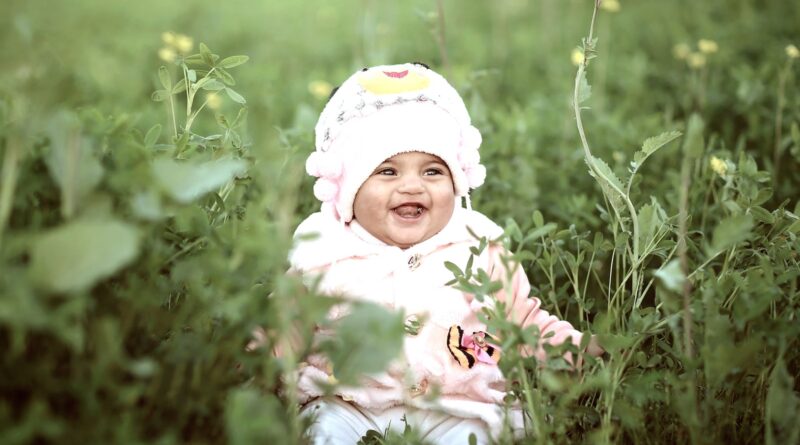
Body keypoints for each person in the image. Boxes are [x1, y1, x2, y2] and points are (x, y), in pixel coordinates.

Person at [288, 62, 602, 444]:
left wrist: (581, 350)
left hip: (457, 407)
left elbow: (521, 321)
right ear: (350, 187)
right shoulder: (325, 252)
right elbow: (286, 325)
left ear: (456, 180)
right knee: (322, 430)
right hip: (348, 401)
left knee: (476, 436)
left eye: (432, 171)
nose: (412, 186)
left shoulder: (477, 247)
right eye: (387, 172)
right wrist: (248, 358)